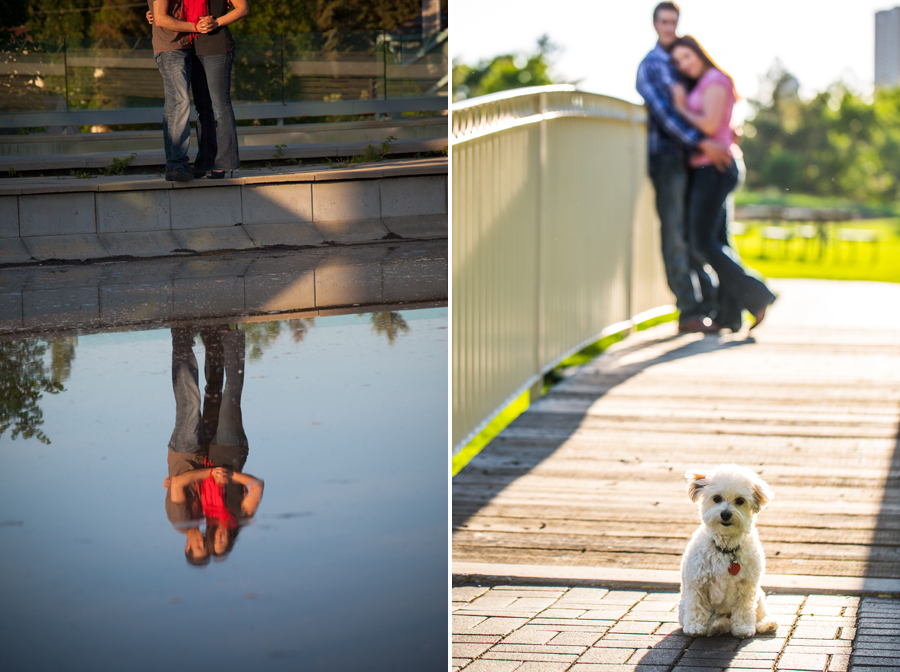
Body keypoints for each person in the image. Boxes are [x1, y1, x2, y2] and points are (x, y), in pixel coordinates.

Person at [636, 2, 733, 334]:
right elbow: (666, 115)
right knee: (676, 233)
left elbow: (705, 102)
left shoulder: (682, 59)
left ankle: (715, 305)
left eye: (673, 21)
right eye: (663, 21)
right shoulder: (650, 66)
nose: (668, 27)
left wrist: (718, 135)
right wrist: (702, 141)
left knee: (698, 233)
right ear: (654, 24)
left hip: (694, 160)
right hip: (669, 158)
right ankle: (689, 310)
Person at [670, 35, 776, 328]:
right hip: (713, 168)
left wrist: (679, 105)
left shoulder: (715, 80)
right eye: (678, 61)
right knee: (718, 242)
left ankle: (757, 293)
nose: (684, 64)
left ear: (699, 54)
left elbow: (708, 124)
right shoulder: (707, 83)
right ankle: (730, 316)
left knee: (701, 241)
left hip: (714, 169)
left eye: (687, 57)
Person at [164, 325, 264, 565]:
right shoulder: (237, 517)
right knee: (222, 395)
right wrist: (229, 476)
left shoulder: (184, 522)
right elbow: (257, 485)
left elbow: (178, 483)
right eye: (219, 542)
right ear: (229, 541)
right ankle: (222, 337)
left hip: (192, 454)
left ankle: (182, 337)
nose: (213, 539)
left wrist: (178, 481)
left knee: (191, 402)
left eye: (204, 544)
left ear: (190, 545)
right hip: (222, 452)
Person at [147, 0, 215, 182]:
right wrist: (195, 27)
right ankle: (176, 165)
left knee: (174, 107)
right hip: (171, 48)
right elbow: (160, 18)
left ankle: (178, 164)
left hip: (188, 46)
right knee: (180, 102)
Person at [190, 0, 248, 179]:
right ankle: (205, 162)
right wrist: (152, 14)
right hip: (191, 49)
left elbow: (243, 8)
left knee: (220, 106)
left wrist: (217, 21)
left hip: (217, 49)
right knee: (202, 108)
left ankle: (225, 162)